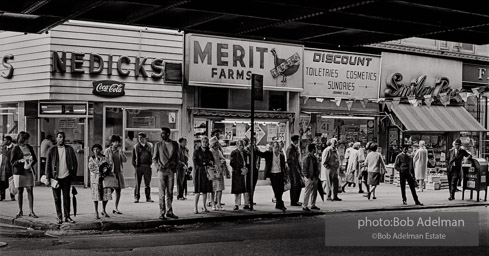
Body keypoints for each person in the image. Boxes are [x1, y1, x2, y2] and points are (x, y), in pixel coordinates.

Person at [46, 132, 78, 224]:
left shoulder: (69, 149)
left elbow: (75, 162)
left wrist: (73, 175)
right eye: (60, 137)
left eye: (63, 137)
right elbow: (48, 164)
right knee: (57, 198)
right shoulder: (52, 149)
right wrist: (48, 177)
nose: (62, 139)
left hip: (66, 177)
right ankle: (59, 216)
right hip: (55, 178)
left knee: (66, 197)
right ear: (56, 138)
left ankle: (67, 216)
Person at [152, 127, 180, 220]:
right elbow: (154, 158)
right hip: (161, 171)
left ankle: (169, 211)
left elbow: (177, 157)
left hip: (171, 170)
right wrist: (157, 167)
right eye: (161, 133)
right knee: (162, 193)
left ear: (168, 134)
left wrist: (175, 166)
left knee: (170, 192)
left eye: (163, 133)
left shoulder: (175, 144)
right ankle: (162, 212)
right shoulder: (158, 145)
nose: (161, 135)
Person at [10, 132, 38, 218]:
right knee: (20, 192)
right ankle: (20, 210)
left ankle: (31, 211)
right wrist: (20, 161)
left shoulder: (29, 147)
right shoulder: (16, 148)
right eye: (27, 139)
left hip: (28, 171)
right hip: (19, 172)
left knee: (30, 190)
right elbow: (12, 162)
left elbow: (35, 159)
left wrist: (30, 162)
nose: (28, 140)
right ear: (22, 139)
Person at [255, 141, 287, 211]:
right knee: (276, 190)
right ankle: (280, 204)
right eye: (275, 147)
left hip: (280, 174)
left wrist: (285, 175)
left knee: (281, 189)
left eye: (278, 147)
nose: (277, 149)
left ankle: (279, 204)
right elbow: (261, 154)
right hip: (273, 174)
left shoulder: (281, 156)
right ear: (272, 147)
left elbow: (283, 166)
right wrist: (254, 149)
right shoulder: (269, 154)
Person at [104, 135, 127, 215]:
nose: (117, 143)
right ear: (112, 142)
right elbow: (104, 161)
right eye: (115, 142)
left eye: (118, 142)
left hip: (118, 172)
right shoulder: (107, 151)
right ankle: (104, 209)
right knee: (109, 190)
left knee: (118, 190)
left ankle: (116, 207)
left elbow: (125, 160)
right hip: (111, 173)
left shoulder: (119, 151)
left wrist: (121, 153)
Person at [88, 144, 112, 219]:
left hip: (104, 179)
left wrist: (105, 172)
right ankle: (96, 212)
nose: (96, 151)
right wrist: (99, 172)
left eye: (97, 149)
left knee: (105, 195)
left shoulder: (105, 158)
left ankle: (104, 210)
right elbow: (91, 168)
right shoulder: (91, 159)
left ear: (100, 150)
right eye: (94, 150)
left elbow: (108, 167)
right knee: (96, 196)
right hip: (95, 179)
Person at [192, 136, 214, 213]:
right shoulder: (197, 151)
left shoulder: (209, 152)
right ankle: (195, 207)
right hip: (199, 172)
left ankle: (204, 206)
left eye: (206, 142)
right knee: (197, 191)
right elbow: (195, 161)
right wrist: (205, 163)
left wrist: (206, 163)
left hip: (207, 172)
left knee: (205, 190)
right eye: (203, 142)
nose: (205, 143)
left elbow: (212, 161)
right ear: (201, 142)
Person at [132, 132, 154, 203]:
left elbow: (152, 155)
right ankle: (136, 197)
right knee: (137, 183)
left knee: (147, 183)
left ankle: (148, 197)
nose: (140, 139)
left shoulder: (149, 146)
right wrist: (135, 166)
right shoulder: (136, 147)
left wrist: (150, 164)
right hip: (139, 166)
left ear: (145, 138)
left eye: (141, 138)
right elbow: (133, 158)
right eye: (139, 138)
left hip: (147, 166)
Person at [230, 140, 249, 210]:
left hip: (245, 171)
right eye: (240, 145)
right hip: (237, 173)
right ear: (237, 145)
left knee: (246, 188)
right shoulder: (234, 153)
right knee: (237, 189)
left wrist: (247, 168)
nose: (241, 147)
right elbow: (232, 163)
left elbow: (248, 161)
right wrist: (239, 169)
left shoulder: (245, 152)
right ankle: (236, 204)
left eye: (243, 145)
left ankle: (246, 203)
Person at [301, 144, 320, 211]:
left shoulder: (314, 157)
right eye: (315, 148)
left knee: (314, 192)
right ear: (313, 149)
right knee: (307, 191)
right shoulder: (307, 158)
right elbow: (304, 169)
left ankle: (313, 204)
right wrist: (307, 176)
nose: (316, 149)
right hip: (309, 177)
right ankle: (305, 205)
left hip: (314, 177)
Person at [209, 136, 226, 210]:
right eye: (215, 144)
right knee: (213, 188)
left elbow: (222, 158)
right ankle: (213, 203)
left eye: (217, 144)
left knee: (220, 188)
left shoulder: (218, 151)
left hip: (219, 171)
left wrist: (223, 161)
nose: (217, 146)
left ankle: (218, 203)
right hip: (213, 171)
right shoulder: (210, 152)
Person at [287, 135, 303, 206]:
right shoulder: (291, 148)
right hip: (293, 170)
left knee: (298, 185)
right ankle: (294, 201)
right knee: (295, 185)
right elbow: (290, 160)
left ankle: (296, 200)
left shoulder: (296, 148)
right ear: (296, 140)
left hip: (297, 169)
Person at [0, 136, 15, 201]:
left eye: (5, 140)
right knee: (2, 182)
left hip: (10, 167)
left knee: (11, 182)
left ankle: (12, 195)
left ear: (9, 141)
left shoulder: (14, 148)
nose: (4, 142)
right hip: (3, 167)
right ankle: (2, 196)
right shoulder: (3, 147)